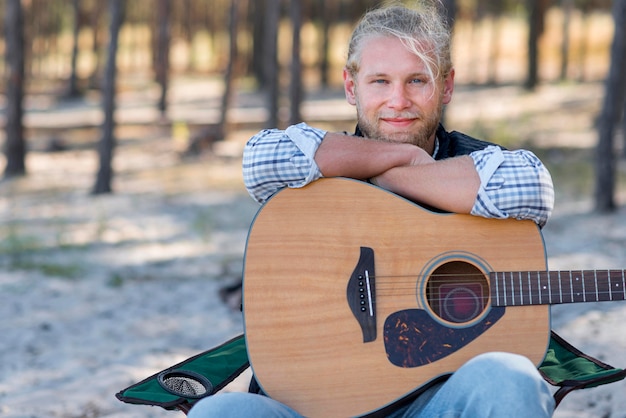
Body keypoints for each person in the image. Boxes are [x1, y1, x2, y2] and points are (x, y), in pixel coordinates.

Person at [189, 1, 555, 417]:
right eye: (380, 81)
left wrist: (396, 174)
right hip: (309, 405)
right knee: (216, 414)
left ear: (447, 86)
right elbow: (260, 158)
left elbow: (532, 186)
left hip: (437, 403)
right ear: (351, 87)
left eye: (417, 80)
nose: (398, 101)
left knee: (510, 380)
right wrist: (399, 156)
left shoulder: (480, 160)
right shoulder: (323, 159)